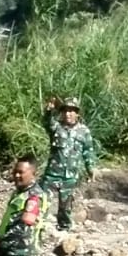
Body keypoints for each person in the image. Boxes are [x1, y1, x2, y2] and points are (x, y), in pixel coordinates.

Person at [42, 96, 99, 232]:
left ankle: (64, 230)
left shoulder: (83, 131)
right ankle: (39, 228)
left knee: (66, 206)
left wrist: (90, 167)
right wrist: (49, 111)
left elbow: (88, 151)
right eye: (65, 111)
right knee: (42, 202)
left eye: (72, 111)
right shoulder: (56, 127)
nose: (68, 114)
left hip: (70, 176)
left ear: (77, 113)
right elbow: (47, 121)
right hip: (52, 174)